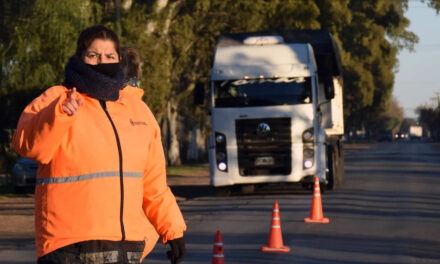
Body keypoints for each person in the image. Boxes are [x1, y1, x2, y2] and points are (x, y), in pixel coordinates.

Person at [12, 25, 187, 264]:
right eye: (93, 55)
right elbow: (27, 145)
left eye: (109, 56)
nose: (101, 61)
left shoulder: (138, 110)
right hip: (70, 247)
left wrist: (172, 229)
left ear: (119, 60)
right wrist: (59, 115)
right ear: (80, 58)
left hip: (127, 246)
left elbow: (153, 183)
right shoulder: (58, 98)